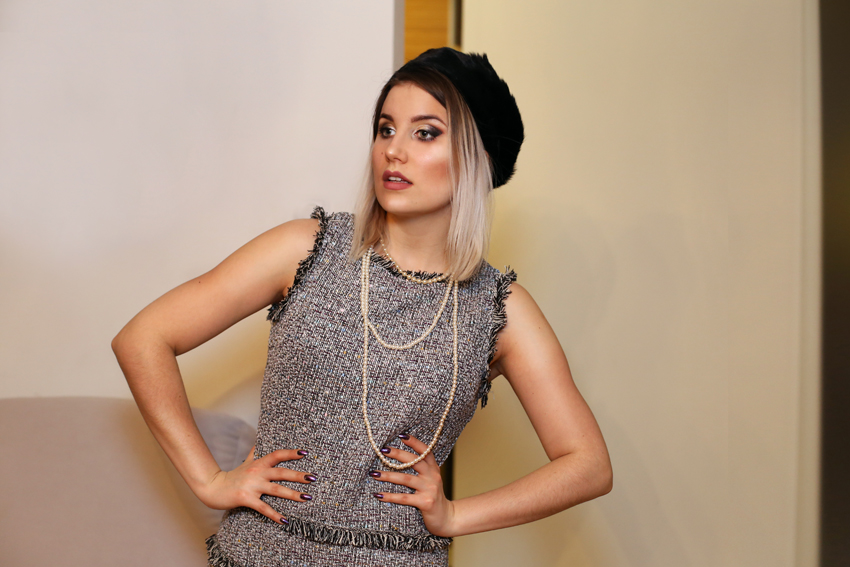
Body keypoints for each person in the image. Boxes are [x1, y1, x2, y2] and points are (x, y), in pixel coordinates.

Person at [112, 47, 612, 567]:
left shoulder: (499, 310)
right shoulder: (306, 249)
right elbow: (144, 338)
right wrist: (210, 480)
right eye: (385, 128)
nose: (394, 150)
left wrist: (456, 516)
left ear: (479, 158)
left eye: (425, 133)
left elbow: (589, 465)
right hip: (259, 554)